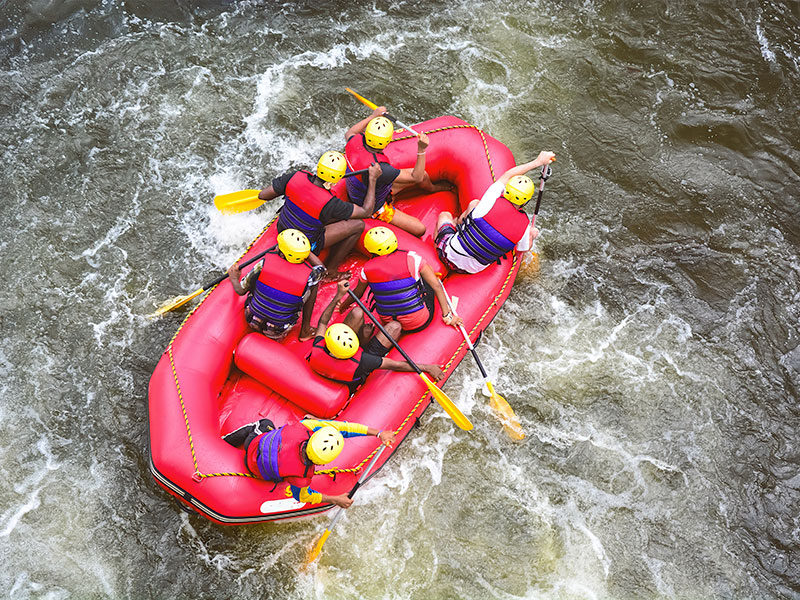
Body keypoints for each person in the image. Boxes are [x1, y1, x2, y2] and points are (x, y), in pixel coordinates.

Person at [256, 153, 382, 280]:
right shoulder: (331, 203)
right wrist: (373, 179)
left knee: (325, 214)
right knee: (358, 225)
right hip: (306, 243)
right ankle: (331, 272)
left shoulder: (295, 176)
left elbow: (263, 195)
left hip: (283, 230)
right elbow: (366, 211)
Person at [223, 418, 396, 508]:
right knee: (267, 428)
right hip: (261, 472)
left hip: (253, 450)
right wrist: (335, 499)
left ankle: (223, 443)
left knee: (264, 424)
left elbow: (342, 428)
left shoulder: (303, 426)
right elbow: (304, 496)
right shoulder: (302, 477)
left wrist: (378, 433)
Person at [307, 281, 443, 393]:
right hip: (360, 362)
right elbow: (396, 365)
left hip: (348, 356)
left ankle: (364, 339)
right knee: (395, 326)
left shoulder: (319, 348)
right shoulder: (364, 361)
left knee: (357, 312)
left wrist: (339, 295)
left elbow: (323, 322)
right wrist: (428, 368)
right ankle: (364, 341)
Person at [434, 151, 556, 274]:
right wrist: (532, 235)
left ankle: (445, 237)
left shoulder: (491, 200)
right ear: (526, 202)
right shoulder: (525, 226)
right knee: (474, 205)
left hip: (447, 254)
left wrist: (538, 162)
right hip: (471, 269)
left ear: (507, 190)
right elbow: (524, 248)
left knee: (445, 215)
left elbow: (507, 175)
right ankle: (458, 226)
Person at [344, 106, 452, 238]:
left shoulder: (354, 141)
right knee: (420, 229)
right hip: (374, 206)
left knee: (424, 175)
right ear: (388, 141)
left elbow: (349, 132)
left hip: (370, 188)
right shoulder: (382, 168)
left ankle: (433, 188)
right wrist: (421, 149)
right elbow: (416, 177)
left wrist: (373, 116)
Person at [339, 226, 462, 334]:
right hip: (418, 322)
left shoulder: (366, 269)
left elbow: (357, 294)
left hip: (387, 321)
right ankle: (445, 315)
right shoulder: (413, 258)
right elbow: (436, 285)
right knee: (428, 281)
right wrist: (447, 316)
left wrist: (342, 306)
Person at [227, 229, 323, 341]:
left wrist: (234, 278)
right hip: (278, 330)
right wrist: (304, 252)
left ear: (282, 254)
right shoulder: (310, 275)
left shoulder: (263, 263)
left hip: (251, 319)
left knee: (259, 278)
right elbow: (322, 269)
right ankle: (305, 330)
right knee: (313, 284)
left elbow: (240, 290)